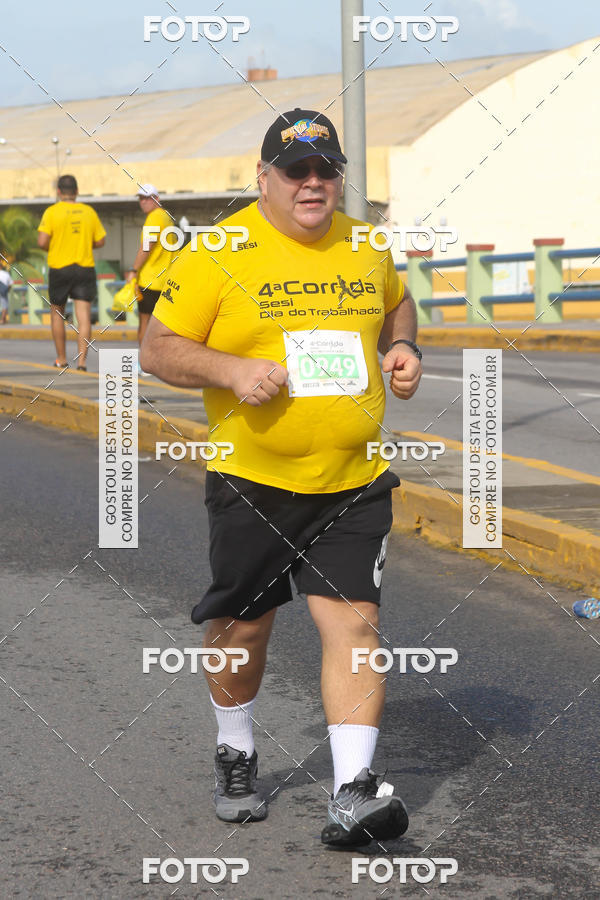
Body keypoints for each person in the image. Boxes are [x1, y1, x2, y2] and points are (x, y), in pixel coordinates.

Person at [140, 109, 423, 846]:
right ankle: (235, 748)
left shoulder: (365, 243)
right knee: (243, 629)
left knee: (355, 623)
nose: (313, 182)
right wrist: (230, 369)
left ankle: (352, 790)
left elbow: (397, 301)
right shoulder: (219, 251)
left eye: (326, 169)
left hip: (353, 480)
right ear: (264, 178)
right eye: (296, 170)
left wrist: (402, 349)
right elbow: (158, 347)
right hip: (254, 483)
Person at [37, 174, 106, 370]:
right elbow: (100, 241)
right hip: (84, 268)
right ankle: (82, 362)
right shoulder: (89, 212)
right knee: (83, 317)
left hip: (60, 268)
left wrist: (54, 246)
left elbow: (42, 241)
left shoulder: (52, 212)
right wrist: (84, 244)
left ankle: (61, 359)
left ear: (59, 191)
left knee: (57, 314)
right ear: (76, 191)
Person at [127, 184, 175, 371]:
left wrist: (134, 269)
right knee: (163, 326)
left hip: (150, 280)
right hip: (166, 281)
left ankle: (145, 363)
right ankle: (163, 363)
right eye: (141, 198)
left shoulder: (154, 218)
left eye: (148, 198)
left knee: (145, 323)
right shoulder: (167, 217)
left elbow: (147, 246)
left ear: (157, 199)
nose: (143, 202)